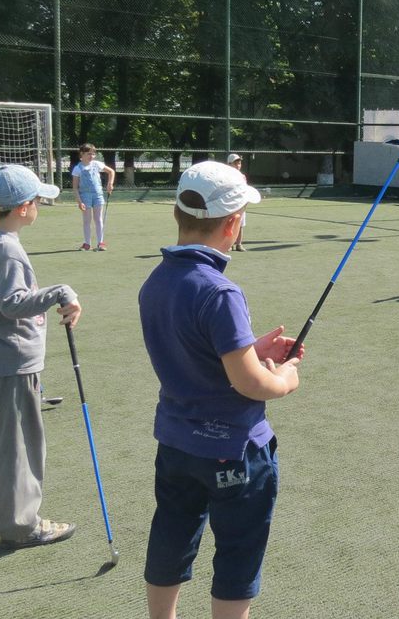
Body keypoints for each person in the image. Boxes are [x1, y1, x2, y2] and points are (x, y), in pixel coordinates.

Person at [140, 161, 302, 619]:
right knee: (238, 548)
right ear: (232, 225)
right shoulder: (221, 292)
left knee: (171, 533)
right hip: (233, 449)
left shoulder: (157, 280)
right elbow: (250, 383)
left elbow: (193, 350)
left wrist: (250, 347)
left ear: (178, 214)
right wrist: (285, 378)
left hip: (175, 444)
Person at [0, 164, 80, 548]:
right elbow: (13, 303)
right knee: (19, 446)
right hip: (10, 361)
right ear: (23, 207)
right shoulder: (7, 248)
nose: (39, 206)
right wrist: (60, 291)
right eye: (37, 201)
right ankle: (20, 525)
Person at [71, 143, 115, 251]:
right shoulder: (77, 168)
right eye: (89, 154)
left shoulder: (97, 164)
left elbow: (111, 172)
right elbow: (75, 187)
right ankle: (87, 243)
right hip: (84, 196)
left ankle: (101, 242)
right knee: (87, 220)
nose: (92, 156)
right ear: (82, 154)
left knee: (98, 219)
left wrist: (110, 183)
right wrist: (79, 201)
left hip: (98, 195)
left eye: (93, 154)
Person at [226, 153, 247, 252]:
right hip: (230, 203)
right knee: (229, 224)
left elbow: (245, 189)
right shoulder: (226, 176)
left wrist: (245, 201)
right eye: (236, 163)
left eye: (239, 163)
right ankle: (229, 244)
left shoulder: (242, 176)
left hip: (241, 203)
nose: (238, 165)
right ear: (229, 164)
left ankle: (239, 244)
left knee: (240, 224)